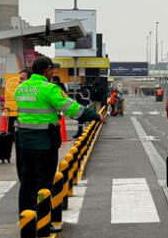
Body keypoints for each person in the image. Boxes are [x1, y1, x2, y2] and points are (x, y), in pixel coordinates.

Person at [15, 56, 106, 223]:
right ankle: (43, 222)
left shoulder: (21, 88)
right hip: (45, 143)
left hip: (24, 142)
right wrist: (93, 115)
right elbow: (70, 108)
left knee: (26, 182)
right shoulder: (50, 88)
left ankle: (25, 219)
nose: (53, 72)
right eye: (52, 70)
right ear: (47, 70)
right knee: (44, 182)